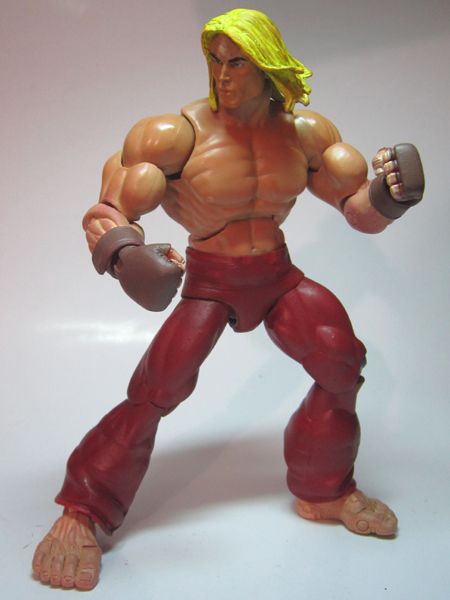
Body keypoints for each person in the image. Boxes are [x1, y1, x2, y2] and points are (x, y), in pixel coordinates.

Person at [32, 8, 424, 591]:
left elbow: (358, 213)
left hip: (277, 274)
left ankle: (323, 489)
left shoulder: (305, 134)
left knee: (342, 362)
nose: (222, 74)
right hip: (211, 281)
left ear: (267, 66)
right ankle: (81, 511)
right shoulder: (175, 135)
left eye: (236, 62)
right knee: (157, 389)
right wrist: (123, 253)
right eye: (214, 60)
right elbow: (109, 210)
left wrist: (391, 198)